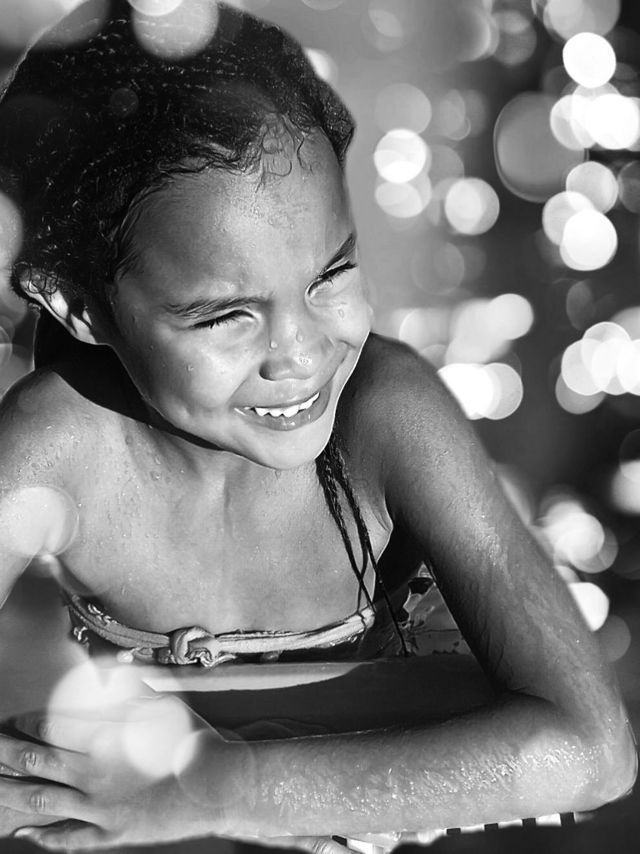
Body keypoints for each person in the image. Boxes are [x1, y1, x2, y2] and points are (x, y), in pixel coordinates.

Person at [0, 0, 636, 851]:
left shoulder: (384, 417)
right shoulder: (59, 447)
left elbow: (593, 751)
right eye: (226, 316)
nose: (300, 355)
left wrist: (212, 787)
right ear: (78, 306)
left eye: (330, 274)